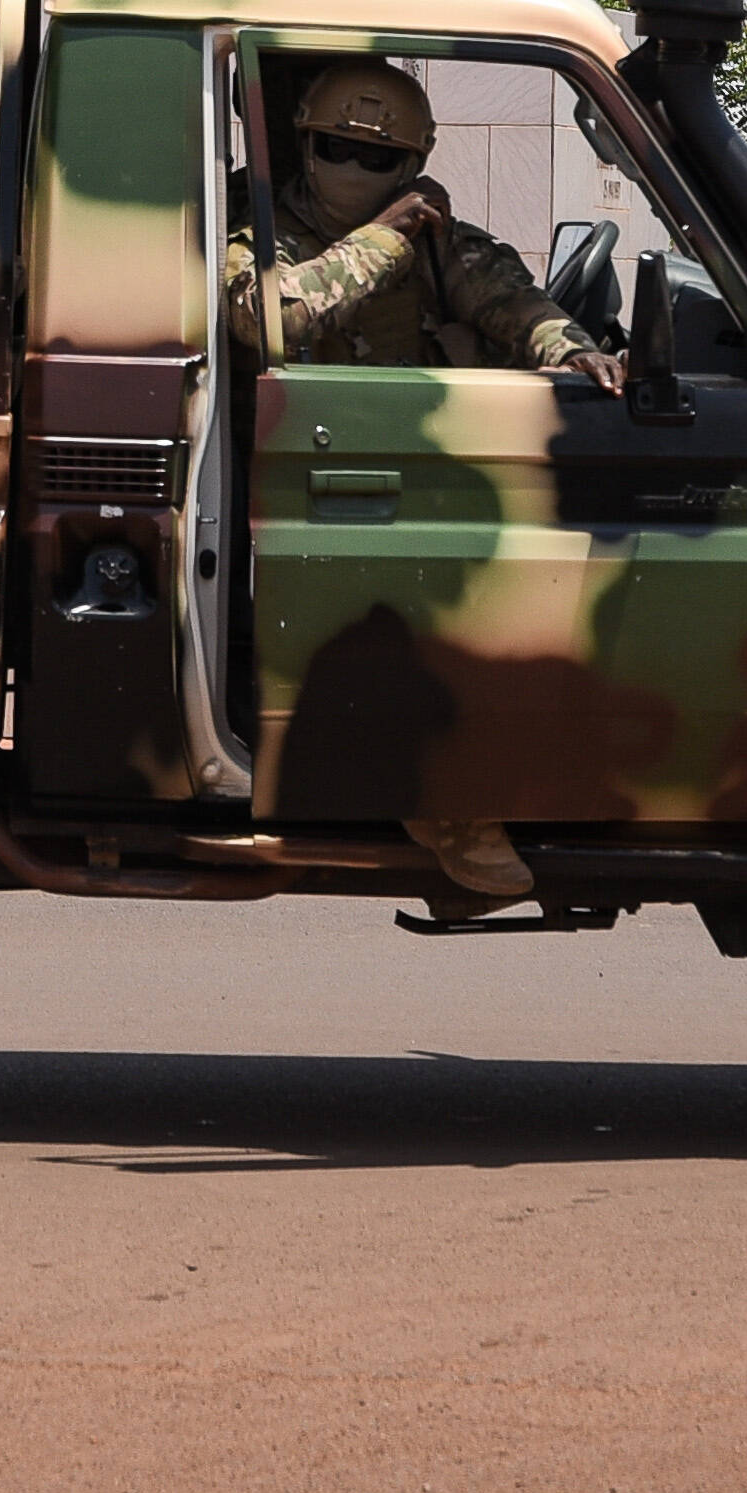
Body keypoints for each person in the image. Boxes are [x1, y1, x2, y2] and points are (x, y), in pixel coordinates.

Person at [217, 58, 627, 903]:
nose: (355, 170)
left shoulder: (440, 239)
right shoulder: (253, 221)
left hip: (403, 479)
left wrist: (575, 351)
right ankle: (446, 807)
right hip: (290, 489)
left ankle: (462, 791)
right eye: (337, 148)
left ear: (410, 162)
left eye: (380, 159)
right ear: (303, 143)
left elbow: (514, 302)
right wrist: (389, 232)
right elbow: (272, 317)